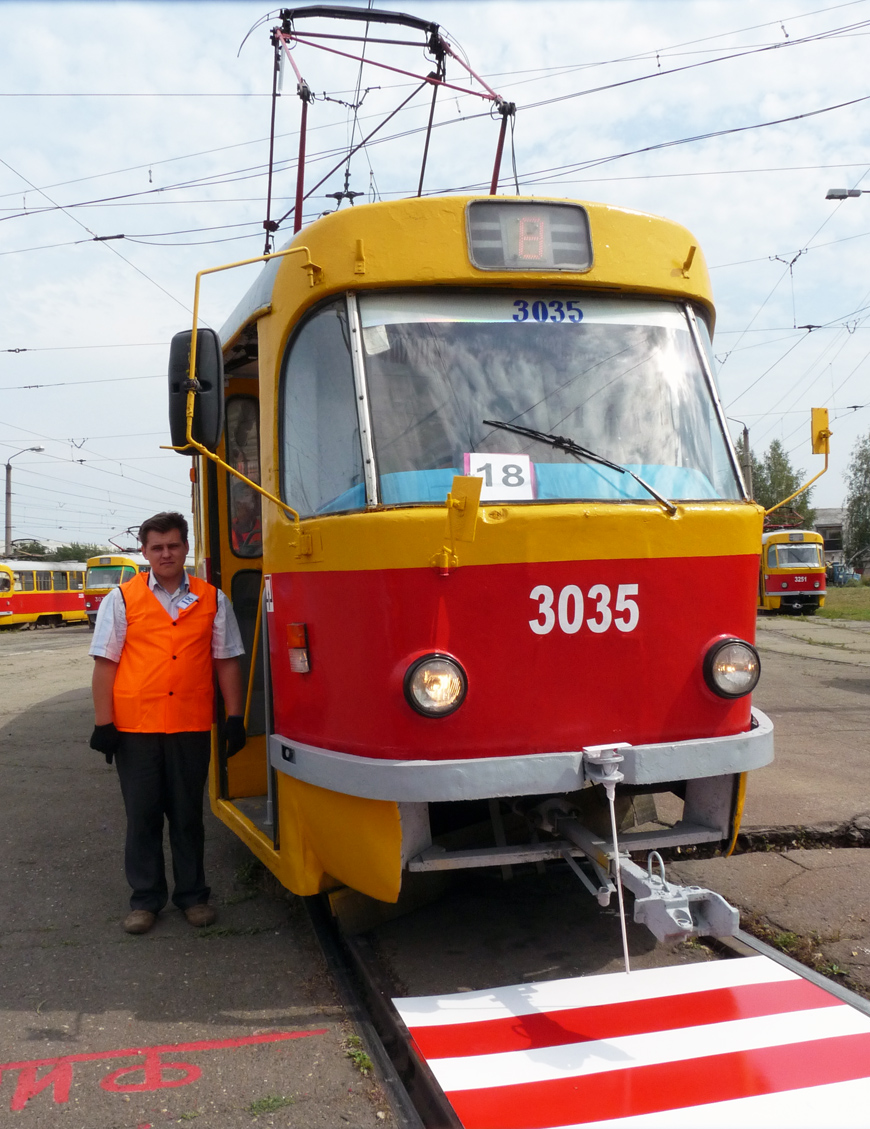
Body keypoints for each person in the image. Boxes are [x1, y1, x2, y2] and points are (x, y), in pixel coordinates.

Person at [88, 512, 247, 935]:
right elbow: (105, 664)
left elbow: (226, 660)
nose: (165, 554)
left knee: (186, 815)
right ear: (144, 551)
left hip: (189, 726)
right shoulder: (121, 599)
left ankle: (193, 897)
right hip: (134, 728)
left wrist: (235, 716)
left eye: (173, 546)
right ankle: (145, 901)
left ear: (185, 548)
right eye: (156, 547)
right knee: (142, 815)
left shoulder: (213, 599)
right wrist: (104, 724)